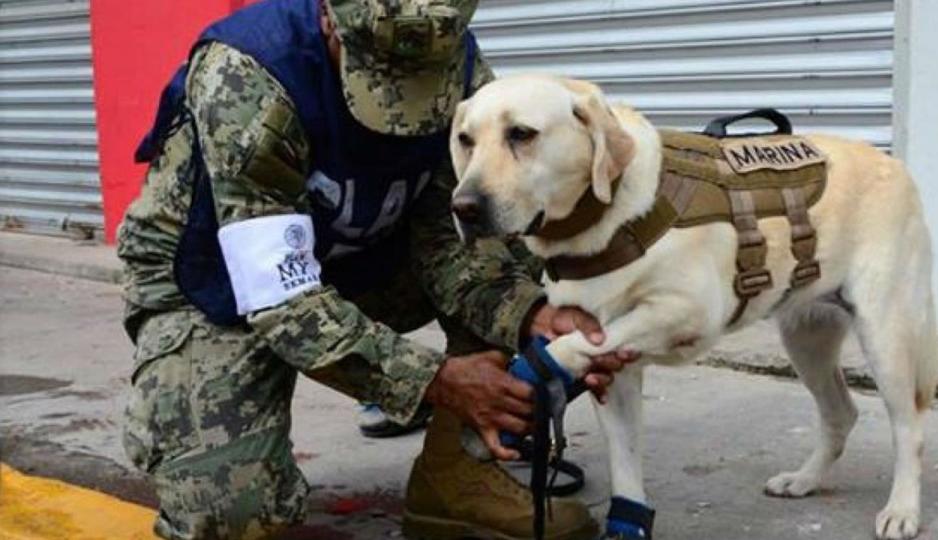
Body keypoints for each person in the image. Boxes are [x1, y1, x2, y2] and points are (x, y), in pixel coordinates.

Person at [117, 0, 632, 538]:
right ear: (327, 19)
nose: (407, 100)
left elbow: (452, 237)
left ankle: (455, 477)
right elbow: (280, 296)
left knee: (521, 251)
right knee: (230, 514)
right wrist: (431, 381)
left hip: (360, 259)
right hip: (209, 285)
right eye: (382, 73)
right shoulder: (249, 76)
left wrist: (533, 316)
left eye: (423, 76)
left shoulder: (456, 62)